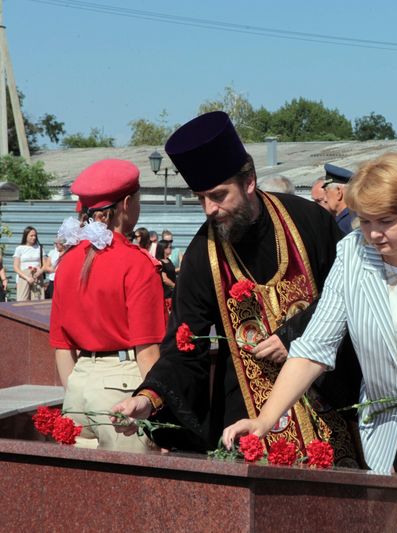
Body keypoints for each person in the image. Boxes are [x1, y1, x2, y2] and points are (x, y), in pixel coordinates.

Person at [222, 152, 397, 481]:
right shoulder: (352, 254)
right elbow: (313, 348)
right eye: (365, 221)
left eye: (386, 221)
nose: (373, 234)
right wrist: (264, 421)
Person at [112, 111, 361, 464]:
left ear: (248, 182)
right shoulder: (202, 255)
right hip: (246, 417)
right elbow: (185, 346)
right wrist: (148, 398)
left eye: (218, 195)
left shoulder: (310, 222)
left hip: (328, 408)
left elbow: (353, 293)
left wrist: (295, 333)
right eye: (200, 198)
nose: (209, 210)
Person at [49, 158, 166, 451]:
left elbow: (62, 347)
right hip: (123, 387)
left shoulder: (66, 262)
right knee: (134, 489)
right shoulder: (137, 263)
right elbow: (148, 351)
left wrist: (76, 391)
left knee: (85, 491)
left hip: (77, 386)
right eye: (138, 200)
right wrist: (162, 405)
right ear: (126, 203)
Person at [13, 226, 46, 301]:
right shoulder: (19, 249)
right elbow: (15, 267)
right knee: (22, 300)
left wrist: (40, 271)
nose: (34, 237)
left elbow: (45, 264)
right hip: (24, 277)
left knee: (37, 301)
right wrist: (27, 278)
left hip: (37, 277)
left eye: (35, 236)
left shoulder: (40, 248)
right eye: (31, 235)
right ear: (26, 236)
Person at [322, 163, 356, 234]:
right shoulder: (356, 215)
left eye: (326, 192)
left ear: (338, 192)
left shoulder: (344, 224)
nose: (325, 199)